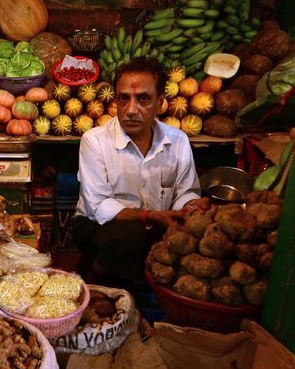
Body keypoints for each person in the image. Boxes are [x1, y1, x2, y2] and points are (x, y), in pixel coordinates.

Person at [72, 56, 209, 292]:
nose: (131, 110)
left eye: (143, 99)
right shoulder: (94, 140)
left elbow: (185, 192)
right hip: (100, 225)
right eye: (124, 98)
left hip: (157, 222)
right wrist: (148, 216)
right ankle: (99, 277)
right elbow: (99, 206)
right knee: (129, 237)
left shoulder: (177, 141)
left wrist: (193, 205)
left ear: (160, 103)